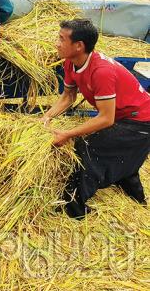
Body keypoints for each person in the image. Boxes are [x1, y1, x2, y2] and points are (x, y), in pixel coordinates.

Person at [43, 18, 150, 219]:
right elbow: (68, 97)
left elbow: (106, 119)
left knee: (88, 147)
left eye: (61, 39)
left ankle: (74, 209)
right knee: (122, 158)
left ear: (79, 46)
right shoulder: (70, 62)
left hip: (141, 121)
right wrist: (46, 117)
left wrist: (68, 134)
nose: (57, 43)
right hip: (123, 117)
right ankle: (136, 195)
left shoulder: (101, 71)